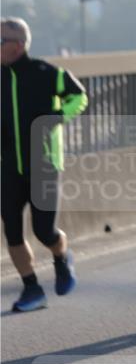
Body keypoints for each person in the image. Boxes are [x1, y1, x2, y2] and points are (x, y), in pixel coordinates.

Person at [1, 17, 87, 312]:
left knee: (43, 231)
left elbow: (79, 97)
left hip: (44, 165)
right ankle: (32, 289)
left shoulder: (45, 72)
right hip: (8, 167)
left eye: (0, 40)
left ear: (18, 45)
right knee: (12, 230)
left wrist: (56, 118)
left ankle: (61, 258)